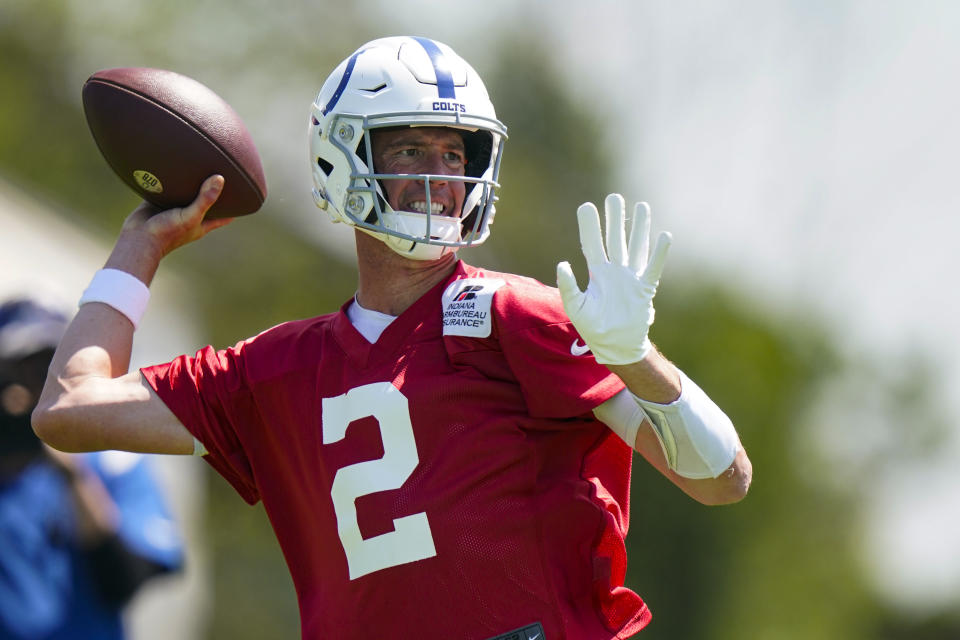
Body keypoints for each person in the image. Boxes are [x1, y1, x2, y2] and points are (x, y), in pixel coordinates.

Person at [33, 36, 752, 639]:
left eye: (454, 153)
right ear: (338, 159)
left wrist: (638, 360)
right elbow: (69, 406)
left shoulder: (518, 315)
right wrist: (142, 245)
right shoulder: (277, 369)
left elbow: (722, 480)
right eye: (410, 150)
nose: (439, 177)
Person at [0, 295, 184, 639]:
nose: (38, 386)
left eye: (51, 368)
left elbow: (124, 581)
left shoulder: (112, 457)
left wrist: (70, 472)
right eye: (22, 371)